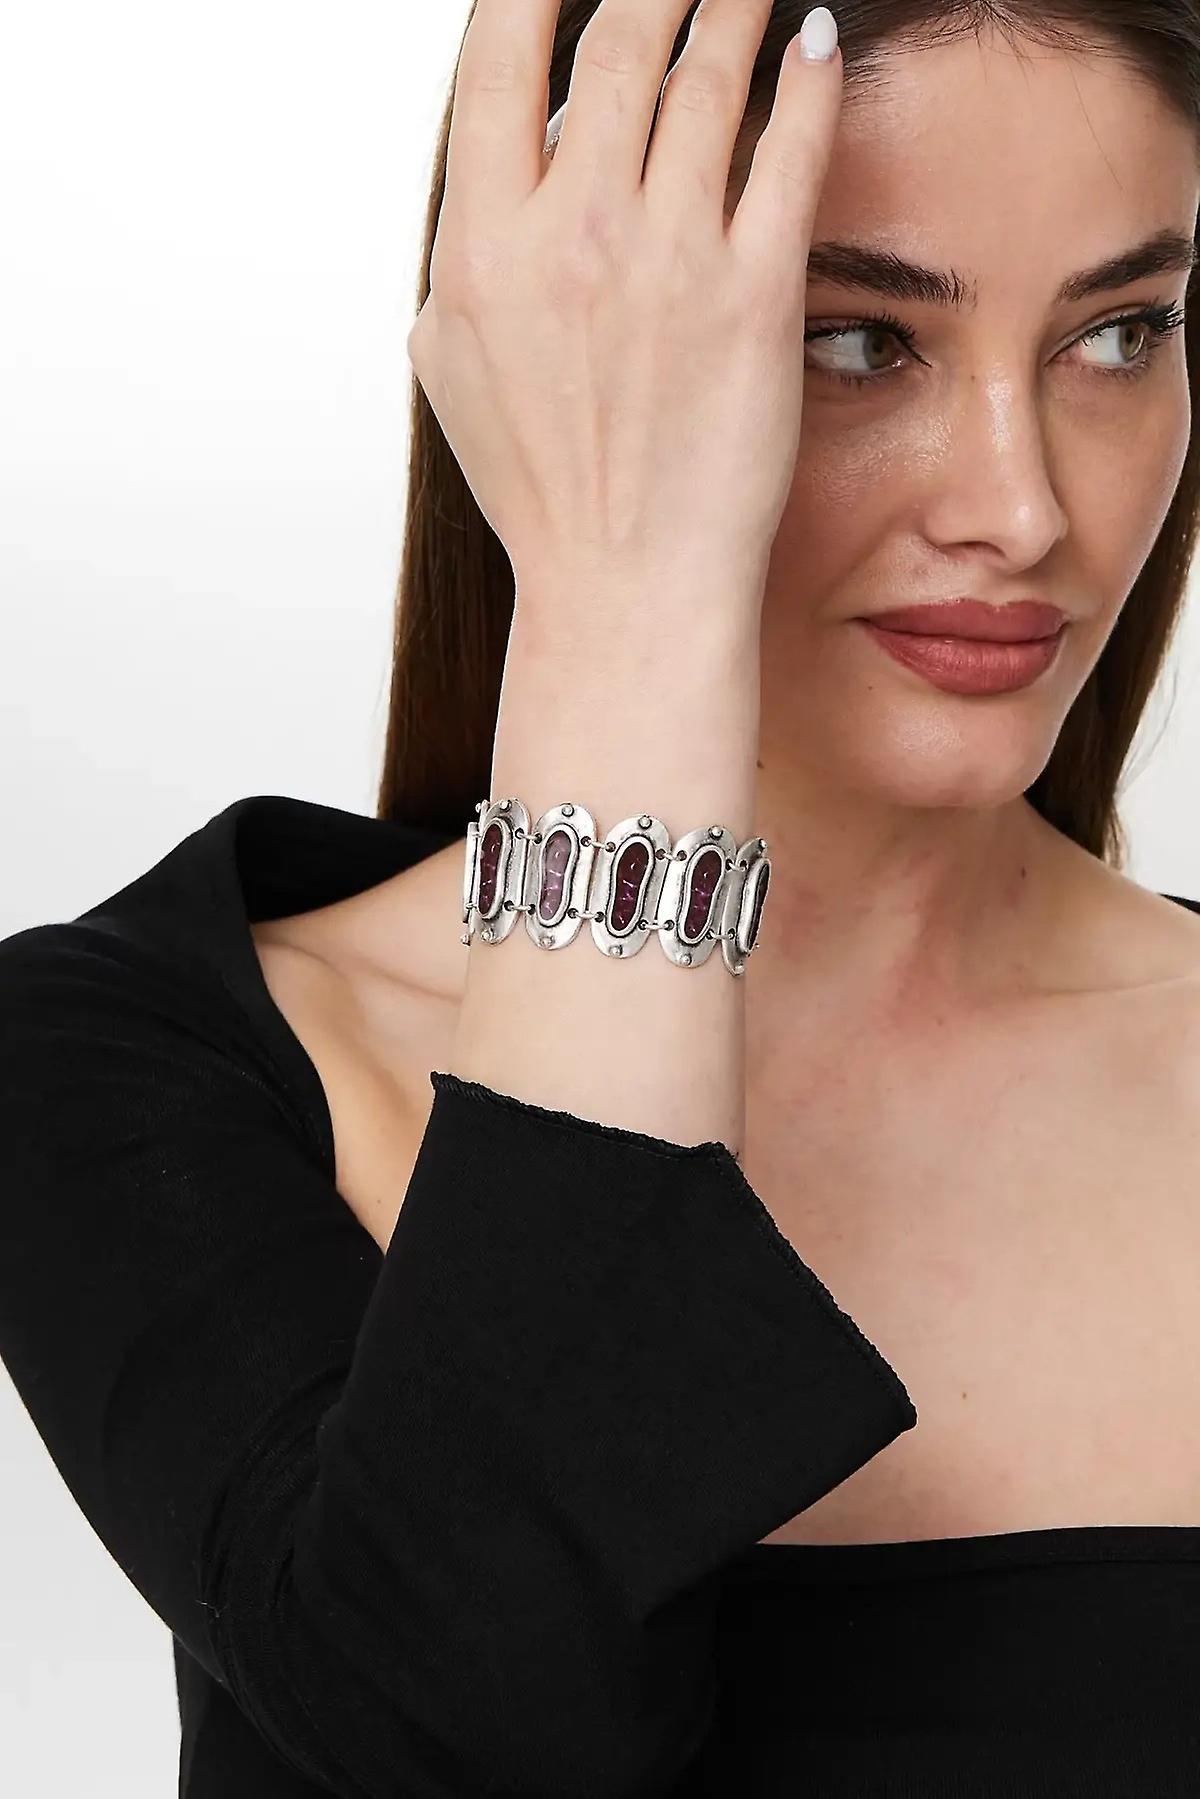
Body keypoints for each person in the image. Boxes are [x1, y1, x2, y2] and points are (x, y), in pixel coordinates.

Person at [3, 0, 1200, 1792]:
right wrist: (623, 597)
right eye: (852, 340)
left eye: (1120, 334)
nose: (1020, 509)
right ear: (557, 355)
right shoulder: (149, 1067)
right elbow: (477, 1737)